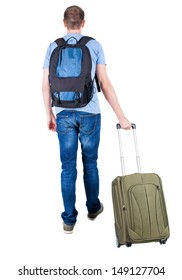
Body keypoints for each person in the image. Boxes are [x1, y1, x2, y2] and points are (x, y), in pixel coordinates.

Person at [42, 5, 131, 234]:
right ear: (83, 22)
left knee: (67, 168)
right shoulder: (94, 45)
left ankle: (69, 220)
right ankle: (93, 208)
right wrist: (122, 117)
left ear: (64, 23)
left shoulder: (53, 46)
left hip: (63, 114)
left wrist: (49, 113)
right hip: (90, 113)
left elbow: (44, 86)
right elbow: (105, 83)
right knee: (90, 163)